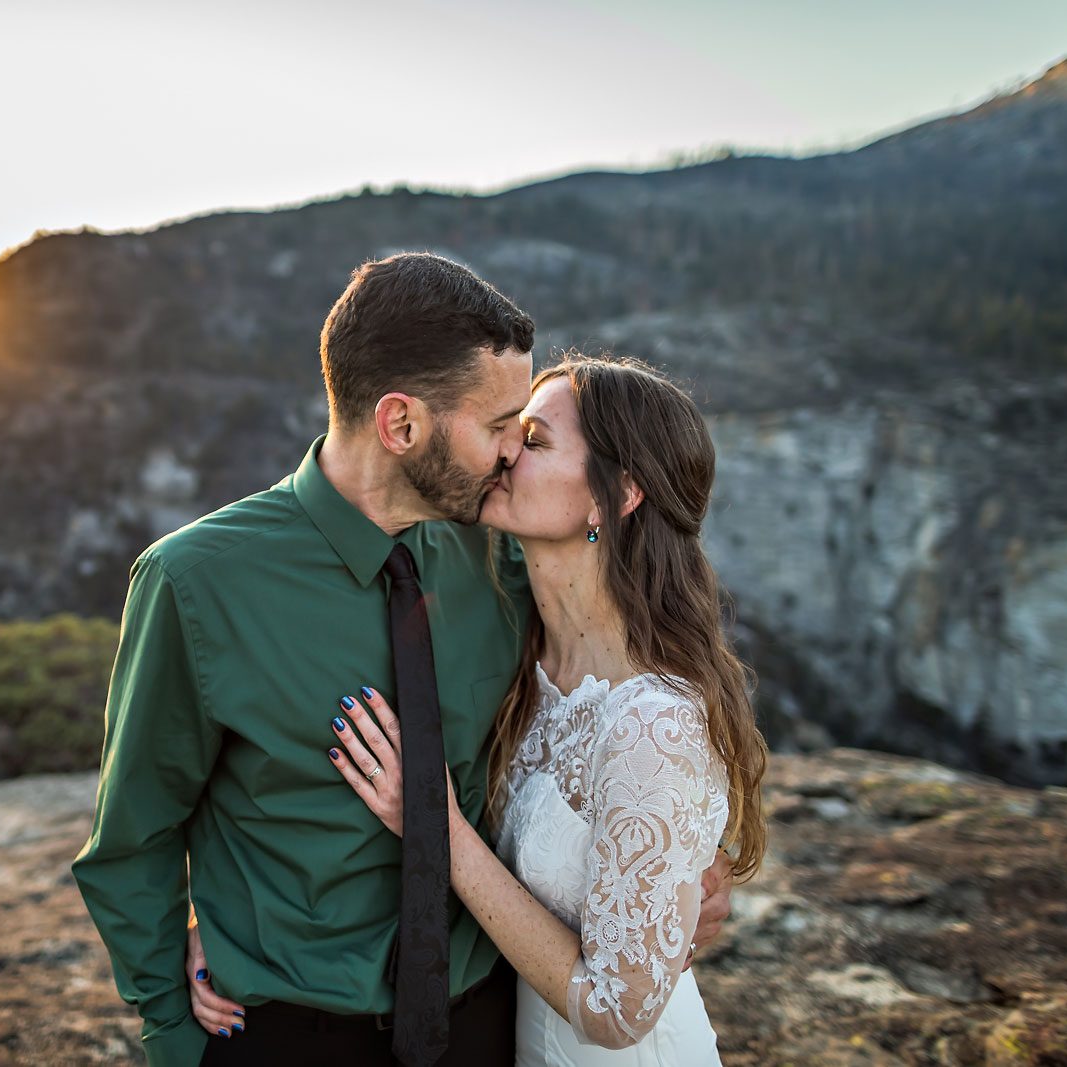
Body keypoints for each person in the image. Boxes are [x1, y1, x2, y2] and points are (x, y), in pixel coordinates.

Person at [72, 253, 733, 1067]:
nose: (509, 455)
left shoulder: (506, 558)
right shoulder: (196, 582)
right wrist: (175, 1034)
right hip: (286, 1038)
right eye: (500, 427)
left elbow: (646, 672)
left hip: (491, 1026)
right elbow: (134, 835)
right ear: (402, 424)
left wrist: (686, 869)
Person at [316, 356, 769, 1064]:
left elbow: (620, 1011)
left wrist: (437, 825)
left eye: (534, 440)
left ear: (615, 494)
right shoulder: (527, 660)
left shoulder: (654, 719)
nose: (504, 453)